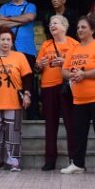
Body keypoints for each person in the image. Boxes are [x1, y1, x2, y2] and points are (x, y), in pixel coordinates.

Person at [61, 17, 95, 176]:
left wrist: (84, 74)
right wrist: (72, 75)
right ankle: (77, 163)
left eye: (83, 27)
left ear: (92, 30)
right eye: (78, 27)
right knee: (79, 131)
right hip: (79, 98)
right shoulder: (73, 49)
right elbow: (63, 71)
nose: (80, 30)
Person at [35, 14, 79, 170]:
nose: (52, 26)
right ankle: (50, 160)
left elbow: (79, 66)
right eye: (50, 24)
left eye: (55, 23)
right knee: (50, 124)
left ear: (64, 26)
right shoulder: (46, 45)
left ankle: (74, 159)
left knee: (71, 124)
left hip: (67, 86)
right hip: (48, 86)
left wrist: (64, 62)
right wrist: (40, 64)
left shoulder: (74, 44)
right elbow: (37, 67)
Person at [0, 28, 33, 172]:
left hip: (13, 102)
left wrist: (27, 94)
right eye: (2, 39)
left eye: (8, 40)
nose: (5, 42)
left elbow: (28, 77)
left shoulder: (19, 56)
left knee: (13, 133)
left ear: (12, 42)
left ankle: (14, 161)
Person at [0, 0, 39, 118]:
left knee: (29, 83)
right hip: (9, 51)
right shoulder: (4, 7)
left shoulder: (30, 5)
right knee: (12, 82)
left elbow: (29, 17)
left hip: (27, 50)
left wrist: (8, 19)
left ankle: (32, 116)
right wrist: (20, 20)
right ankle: (13, 114)